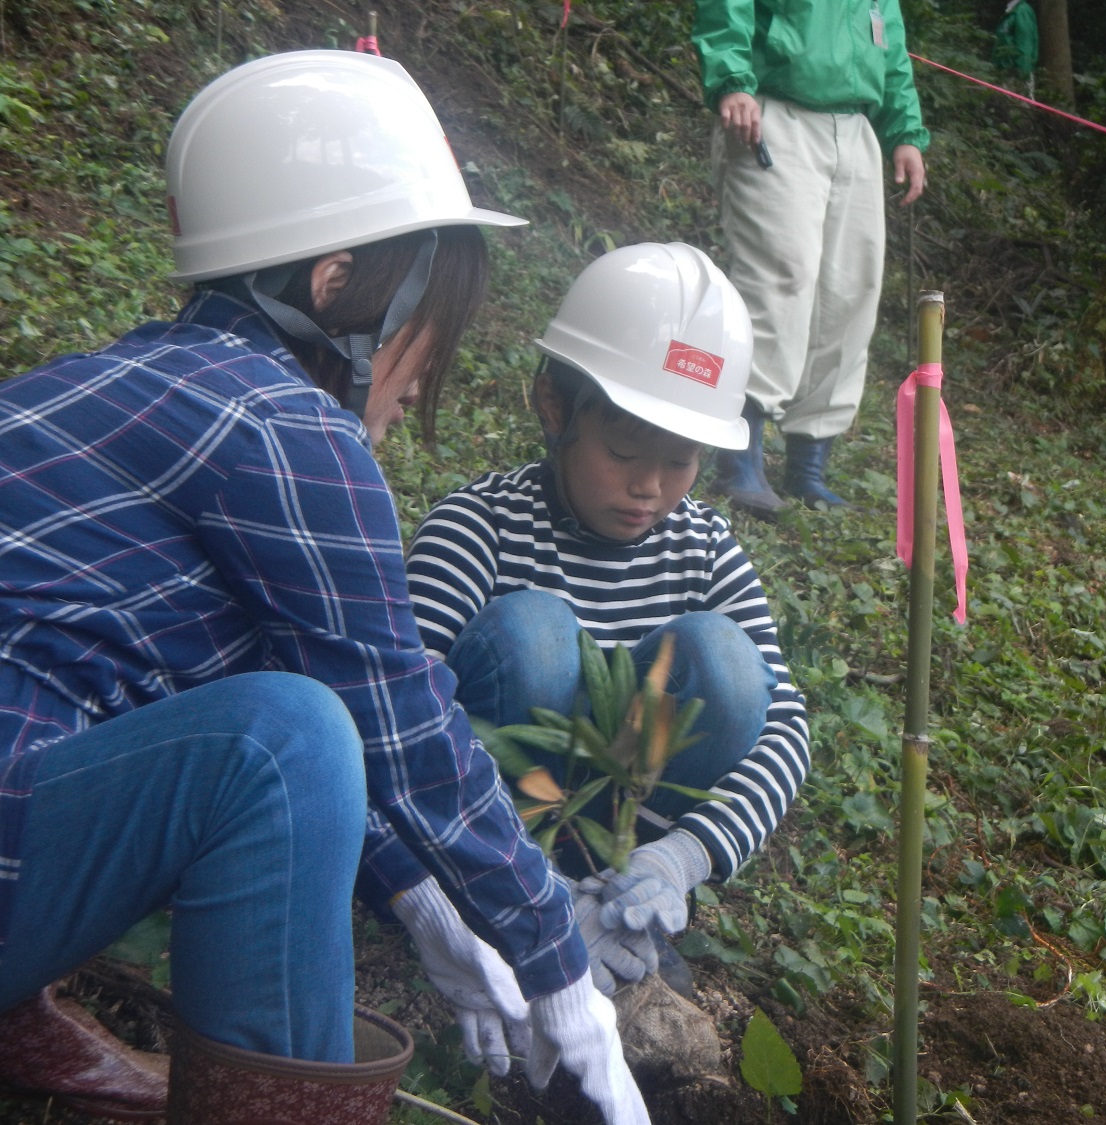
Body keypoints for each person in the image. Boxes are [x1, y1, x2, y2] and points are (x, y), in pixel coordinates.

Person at [0, 50, 648, 1125]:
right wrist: (561, 968)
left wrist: (418, 895)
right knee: (282, 738)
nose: (421, 375)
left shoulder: (94, 387)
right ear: (335, 286)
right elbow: (394, 722)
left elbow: (218, 662)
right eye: (422, 326)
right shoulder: (280, 421)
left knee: (276, 712)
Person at [403, 242, 811, 997]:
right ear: (554, 407)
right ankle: (524, 894)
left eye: (682, 461)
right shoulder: (478, 526)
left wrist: (681, 858)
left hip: (636, 853)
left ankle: (625, 904)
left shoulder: (706, 546)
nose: (649, 487)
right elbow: (403, 708)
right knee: (536, 636)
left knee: (726, 661)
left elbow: (785, 726)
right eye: (623, 450)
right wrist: (517, 877)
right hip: (501, 835)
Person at [692, 0, 931, 516]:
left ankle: (808, 463)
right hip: (776, 112)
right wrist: (733, 79)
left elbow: (888, 46)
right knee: (780, 277)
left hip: (856, 129)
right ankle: (738, 453)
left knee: (851, 291)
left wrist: (905, 133)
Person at [992, 0, 1039, 98]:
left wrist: (1023, 73)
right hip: (1006, 71)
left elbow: (1025, 43)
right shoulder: (1011, 11)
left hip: (1016, 72)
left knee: (1019, 108)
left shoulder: (1022, 11)